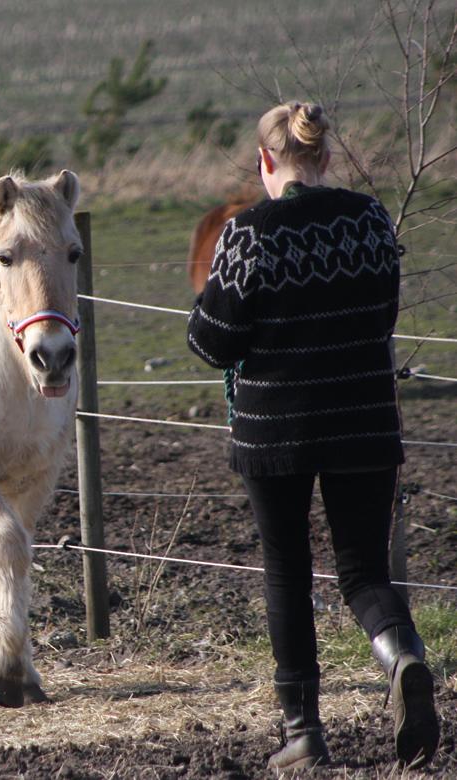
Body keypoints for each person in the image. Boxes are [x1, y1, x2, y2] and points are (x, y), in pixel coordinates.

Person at [187, 101, 440, 774]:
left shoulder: (248, 234)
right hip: (365, 423)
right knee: (363, 572)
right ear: (326, 157)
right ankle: (402, 654)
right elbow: (383, 311)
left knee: (288, 574)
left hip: (277, 433)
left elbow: (211, 344)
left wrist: (210, 304)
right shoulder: (370, 221)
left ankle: (304, 733)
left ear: (267, 161)